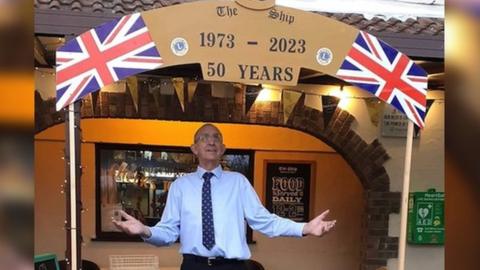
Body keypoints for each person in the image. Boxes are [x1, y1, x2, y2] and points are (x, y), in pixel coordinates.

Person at [113, 123, 336, 270]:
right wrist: (145, 230)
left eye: (216, 138)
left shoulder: (238, 182)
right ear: (194, 149)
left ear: (222, 149)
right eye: (204, 138)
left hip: (233, 267)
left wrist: (305, 228)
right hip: (193, 266)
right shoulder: (180, 186)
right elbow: (169, 232)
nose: (211, 141)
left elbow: (264, 221)